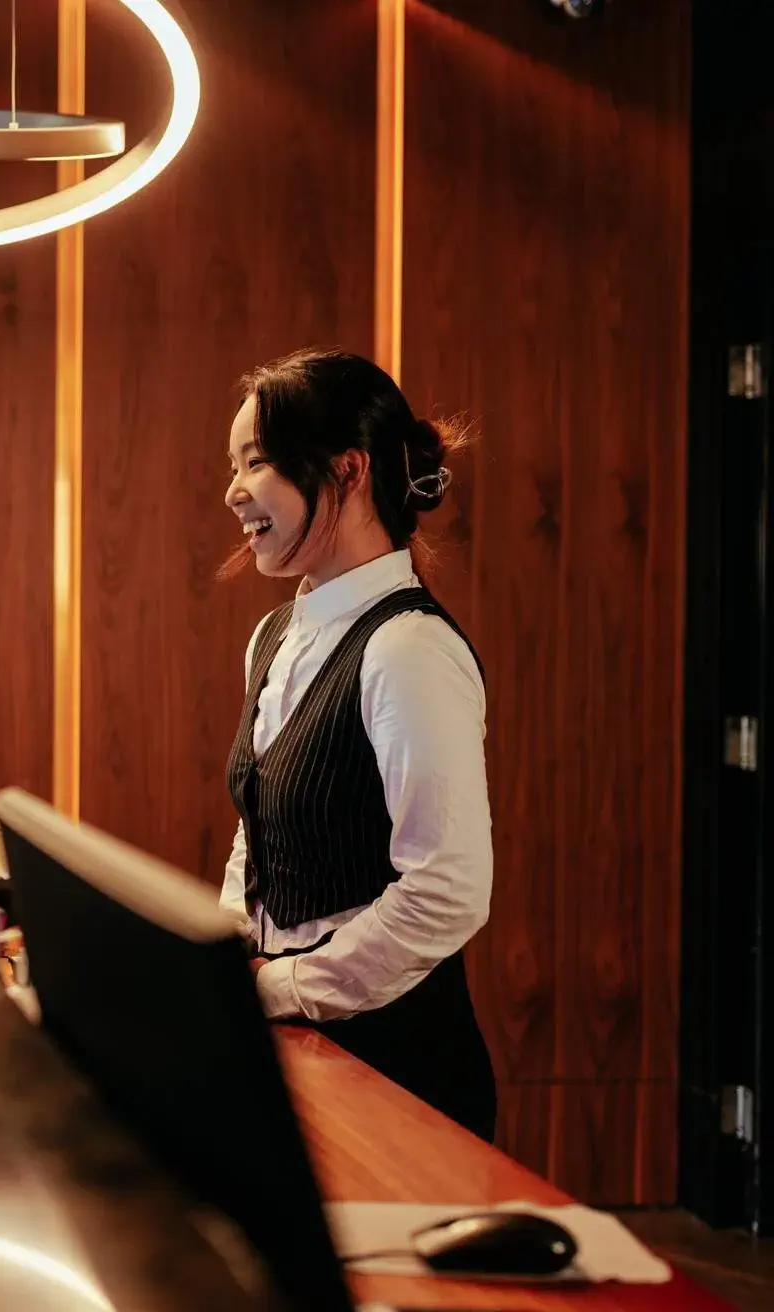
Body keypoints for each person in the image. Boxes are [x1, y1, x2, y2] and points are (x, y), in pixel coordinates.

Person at [219, 347, 497, 1141]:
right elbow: (257, 831)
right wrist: (227, 958)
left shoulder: (409, 649)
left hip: (397, 1067)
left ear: (347, 471)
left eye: (257, 461)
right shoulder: (273, 634)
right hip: (299, 1047)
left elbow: (447, 890)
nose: (233, 491)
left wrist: (279, 987)